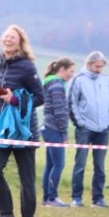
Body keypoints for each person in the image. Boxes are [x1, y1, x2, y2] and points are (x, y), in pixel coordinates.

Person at [0, 24, 44, 217]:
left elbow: (40, 97)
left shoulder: (27, 66)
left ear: (20, 43)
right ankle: (6, 213)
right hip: (2, 127)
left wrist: (16, 101)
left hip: (24, 130)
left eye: (13, 37)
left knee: (27, 181)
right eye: (6, 36)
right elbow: (1, 91)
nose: (8, 40)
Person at [69, 51, 109, 208]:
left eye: (101, 67)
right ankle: (76, 197)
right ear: (89, 64)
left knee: (100, 166)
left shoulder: (107, 80)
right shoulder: (78, 80)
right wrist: (80, 123)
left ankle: (98, 198)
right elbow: (72, 103)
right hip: (84, 129)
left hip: (103, 129)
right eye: (97, 66)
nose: (99, 69)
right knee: (80, 164)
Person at [41, 57, 75, 207]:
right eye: (70, 71)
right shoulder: (57, 86)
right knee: (59, 164)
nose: (72, 75)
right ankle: (52, 197)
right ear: (62, 69)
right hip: (54, 128)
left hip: (48, 127)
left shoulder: (51, 83)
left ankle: (46, 198)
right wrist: (64, 133)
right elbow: (60, 112)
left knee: (50, 165)